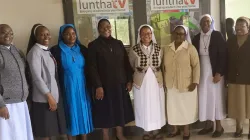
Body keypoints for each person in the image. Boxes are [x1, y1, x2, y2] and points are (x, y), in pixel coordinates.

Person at [87, 19, 134, 140]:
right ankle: (105, 135)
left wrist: (129, 80)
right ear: (98, 29)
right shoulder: (93, 45)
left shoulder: (118, 43)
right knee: (105, 111)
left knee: (120, 110)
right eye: (102, 27)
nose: (106, 29)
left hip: (120, 83)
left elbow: (126, 63)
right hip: (104, 86)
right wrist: (98, 86)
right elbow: (92, 68)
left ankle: (119, 134)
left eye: (108, 26)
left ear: (111, 27)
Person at [50, 24, 93, 140]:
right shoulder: (55, 50)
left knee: (83, 111)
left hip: (83, 86)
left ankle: (84, 138)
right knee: (70, 111)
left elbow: (90, 68)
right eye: (67, 34)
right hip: (67, 86)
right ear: (62, 35)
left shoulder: (82, 49)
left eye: (73, 33)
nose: (71, 36)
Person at [27, 24, 67, 140]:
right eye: (42, 34)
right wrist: (49, 96)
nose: (46, 36)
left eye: (47, 34)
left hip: (51, 97)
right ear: (36, 37)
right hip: (43, 99)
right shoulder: (35, 52)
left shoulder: (46, 51)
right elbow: (36, 78)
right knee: (45, 132)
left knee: (50, 131)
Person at [129, 24, 166, 140]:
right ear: (140, 35)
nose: (147, 35)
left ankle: (156, 130)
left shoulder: (159, 48)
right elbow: (131, 65)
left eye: (149, 33)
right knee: (143, 105)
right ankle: (146, 131)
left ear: (152, 34)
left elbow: (162, 64)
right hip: (141, 84)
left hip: (156, 83)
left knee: (156, 105)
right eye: (144, 33)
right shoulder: (134, 49)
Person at [192, 14, 227, 137]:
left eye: (208, 21)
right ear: (200, 24)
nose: (206, 23)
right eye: (203, 21)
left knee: (216, 98)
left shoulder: (217, 35)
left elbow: (223, 55)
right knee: (204, 98)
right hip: (201, 71)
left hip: (214, 71)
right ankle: (208, 125)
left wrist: (219, 72)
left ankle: (219, 127)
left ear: (211, 23)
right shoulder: (196, 37)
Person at [163, 25, 200, 140]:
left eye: (182, 34)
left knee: (186, 108)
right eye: (177, 33)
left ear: (185, 35)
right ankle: (175, 129)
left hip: (186, 84)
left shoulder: (190, 48)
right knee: (172, 108)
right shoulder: (166, 48)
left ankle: (186, 131)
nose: (179, 36)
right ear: (173, 34)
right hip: (171, 84)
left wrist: (195, 81)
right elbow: (162, 66)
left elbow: (196, 66)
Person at [0, 24, 33, 140]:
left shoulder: (17, 51)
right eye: (4, 32)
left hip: (21, 103)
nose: (8, 35)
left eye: (11, 32)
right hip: (7, 105)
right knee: (9, 136)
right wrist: (1, 105)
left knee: (21, 135)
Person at [227, 17, 250, 138]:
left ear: (248, 27)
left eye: (242, 25)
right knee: (237, 105)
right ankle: (238, 128)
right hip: (234, 77)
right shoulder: (230, 40)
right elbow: (226, 58)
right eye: (238, 25)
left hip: (248, 77)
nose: (239, 27)